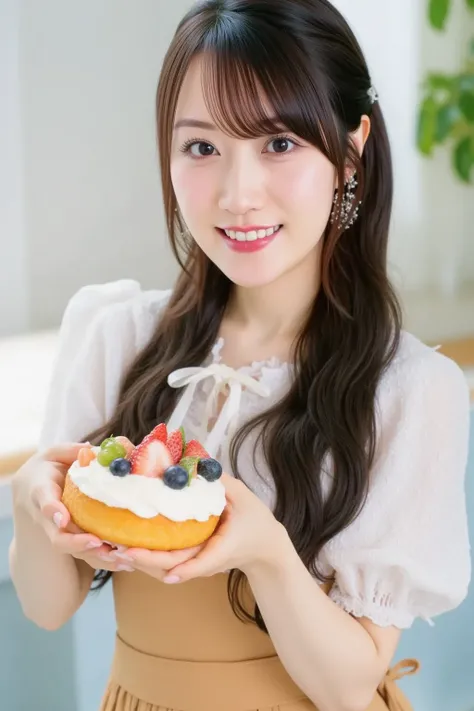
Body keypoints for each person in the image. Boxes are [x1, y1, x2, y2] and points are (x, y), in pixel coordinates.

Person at [9, 1, 471, 710]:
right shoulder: (114, 335)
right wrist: (32, 498)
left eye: (279, 144)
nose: (236, 193)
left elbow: (349, 687)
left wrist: (262, 550)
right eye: (202, 147)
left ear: (350, 152)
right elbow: (47, 606)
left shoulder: (409, 391)